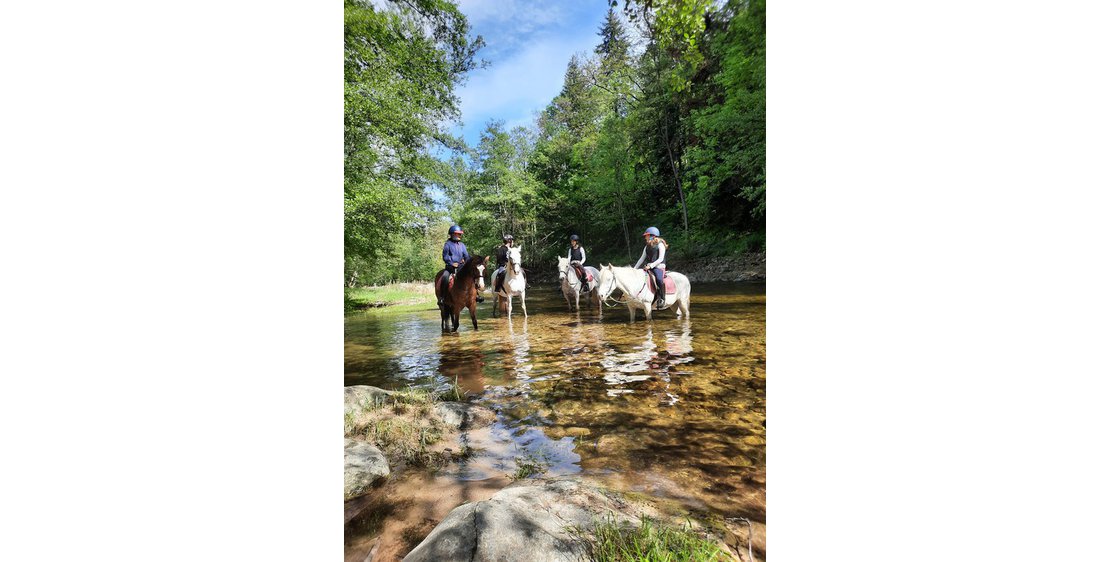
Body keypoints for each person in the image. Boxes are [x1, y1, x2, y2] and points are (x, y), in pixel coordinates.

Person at [439, 225, 483, 305]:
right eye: (458, 234)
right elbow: (445, 256)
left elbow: (466, 256)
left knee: (472, 275)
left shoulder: (462, 245)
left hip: (461, 267)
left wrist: (471, 263)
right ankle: (442, 297)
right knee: (445, 277)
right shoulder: (447, 244)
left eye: (460, 234)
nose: (460, 235)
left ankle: (476, 295)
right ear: (452, 234)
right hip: (450, 267)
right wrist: (452, 263)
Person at [633, 226, 668, 308]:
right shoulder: (646, 247)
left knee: (659, 279)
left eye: (647, 235)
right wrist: (634, 269)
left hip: (659, 266)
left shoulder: (660, 245)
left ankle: (662, 298)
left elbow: (660, 259)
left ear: (653, 235)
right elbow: (641, 259)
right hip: (649, 267)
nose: (645, 237)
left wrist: (651, 265)